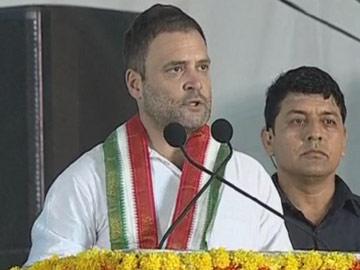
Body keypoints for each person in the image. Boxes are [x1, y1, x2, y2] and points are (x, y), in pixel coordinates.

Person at [25, 4, 291, 266]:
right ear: (135, 84)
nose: (195, 82)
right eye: (176, 69)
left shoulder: (247, 178)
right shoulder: (87, 181)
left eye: (202, 67)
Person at [261, 66, 360, 251]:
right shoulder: (248, 218)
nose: (315, 134)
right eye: (298, 121)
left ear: (344, 139)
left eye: (328, 121)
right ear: (269, 140)